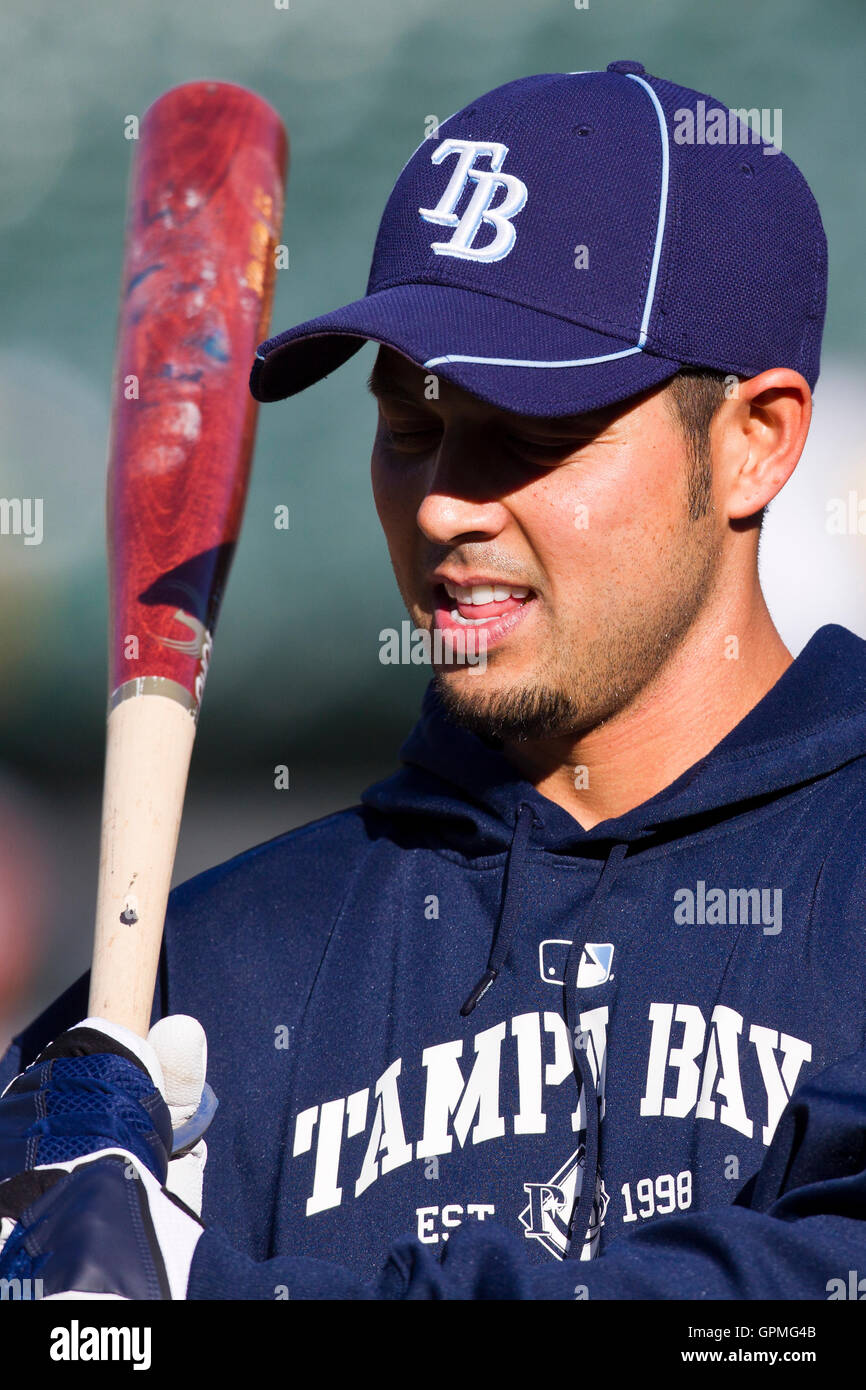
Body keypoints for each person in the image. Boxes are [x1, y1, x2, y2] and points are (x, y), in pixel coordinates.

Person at [3, 60, 864, 1302]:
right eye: (410, 428)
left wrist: (211, 1293)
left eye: (528, 430)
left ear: (753, 442)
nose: (448, 503)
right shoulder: (212, 971)